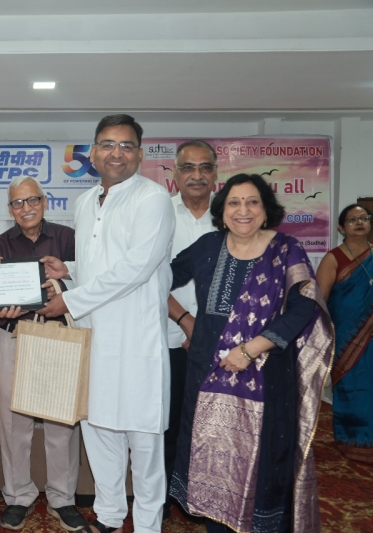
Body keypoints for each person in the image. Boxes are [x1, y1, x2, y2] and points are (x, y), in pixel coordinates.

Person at [168, 174, 332, 532]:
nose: (243, 210)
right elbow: (155, 278)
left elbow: (303, 308)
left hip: (267, 375)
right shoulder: (207, 246)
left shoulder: (287, 249)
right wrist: (182, 318)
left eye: (252, 201)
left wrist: (250, 348)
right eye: (234, 202)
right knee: (210, 455)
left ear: (266, 209)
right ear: (222, 211)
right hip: (207, 374)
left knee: (263, 459)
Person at [38, 114, 175, 533]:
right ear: (94, 153)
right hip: (94, 337)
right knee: (98, 430)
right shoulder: (84, 202)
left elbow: (136, 268)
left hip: (136, 340)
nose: (117, 153)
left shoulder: (153, 199)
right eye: (108, 144)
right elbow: (101, 265)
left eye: (126, 145)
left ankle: (147, 525)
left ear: (140, 154)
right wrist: (71, 270)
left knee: (144, 443)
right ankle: (110, 515)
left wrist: (69, 299)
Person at [0, 176, 85, 531]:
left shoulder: (68, 238)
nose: (25, 208)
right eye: (17, 203)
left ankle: (62, 497)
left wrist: (62, 285)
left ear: (45, 202)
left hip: (58, 336)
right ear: (9, 209)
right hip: (14, 334)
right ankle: (18, 496)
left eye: (32, 200)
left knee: (61, 421)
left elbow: (90, 283)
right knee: (14, 421)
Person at [162, 140, 218, 518]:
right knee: (169, 423)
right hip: (167, 337)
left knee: (213, 425)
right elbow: (149, 279)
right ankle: (166, 497)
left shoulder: (233, 216)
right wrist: (186, 321)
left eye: (204, 167)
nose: (196, 175)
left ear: (215, 174)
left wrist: (207, 329)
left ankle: (206, 500)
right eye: (188, 167)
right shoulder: (159, 214)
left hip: (221, 344)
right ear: (176, 174)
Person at [317, 203, 373, 463]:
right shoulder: (333, 258)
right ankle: (353, 442)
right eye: (352, 220)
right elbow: (319, 301)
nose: (359, 223)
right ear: (341, 228)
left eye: (364, 218)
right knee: (353, 389)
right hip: (345, 338)